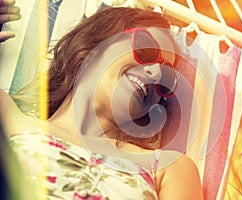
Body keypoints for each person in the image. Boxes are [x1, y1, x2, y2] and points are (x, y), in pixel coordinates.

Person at [0, 6, 203, 199]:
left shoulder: (167, 167)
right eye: (146, 50)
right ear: (96, 44)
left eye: (166, 78)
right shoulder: (8, 117)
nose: (156, 73)